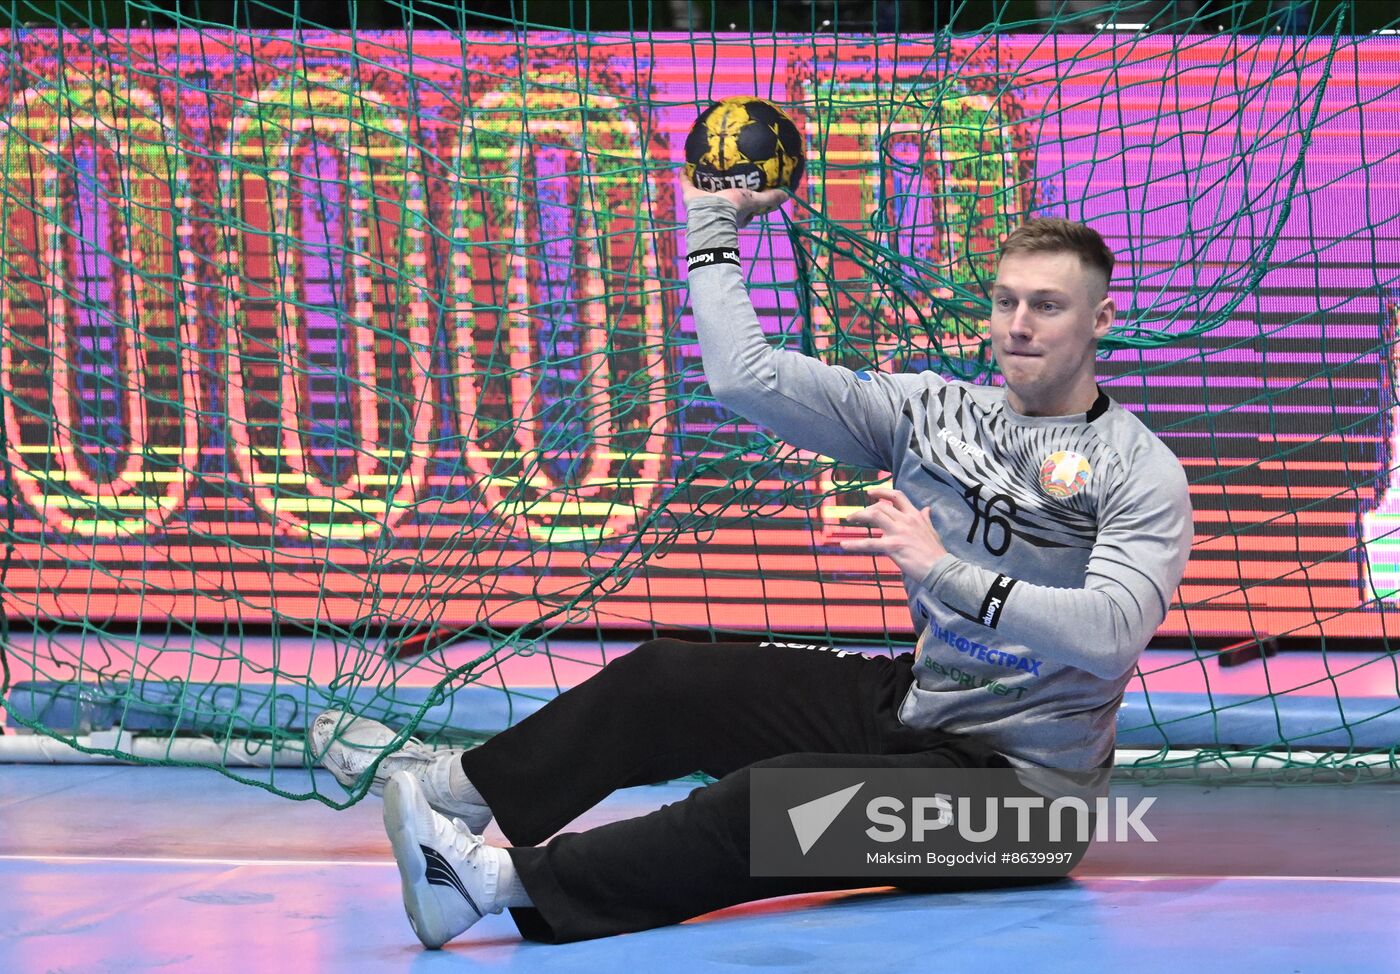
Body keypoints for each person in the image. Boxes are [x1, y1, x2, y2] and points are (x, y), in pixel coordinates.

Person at [310, 179, 1193, 949]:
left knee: (778, 803)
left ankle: (490, 885)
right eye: (1005, 303)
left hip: (1025, 809)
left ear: (1100, 318)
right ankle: (445, 794)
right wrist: (709, 226)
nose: (1018, 325)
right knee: (668, 680)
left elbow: (1111, 635)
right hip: (918, 709)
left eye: (1047, 305)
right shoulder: (933, 412)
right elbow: (746, 377)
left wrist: (944, 572)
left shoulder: (1138, 466)